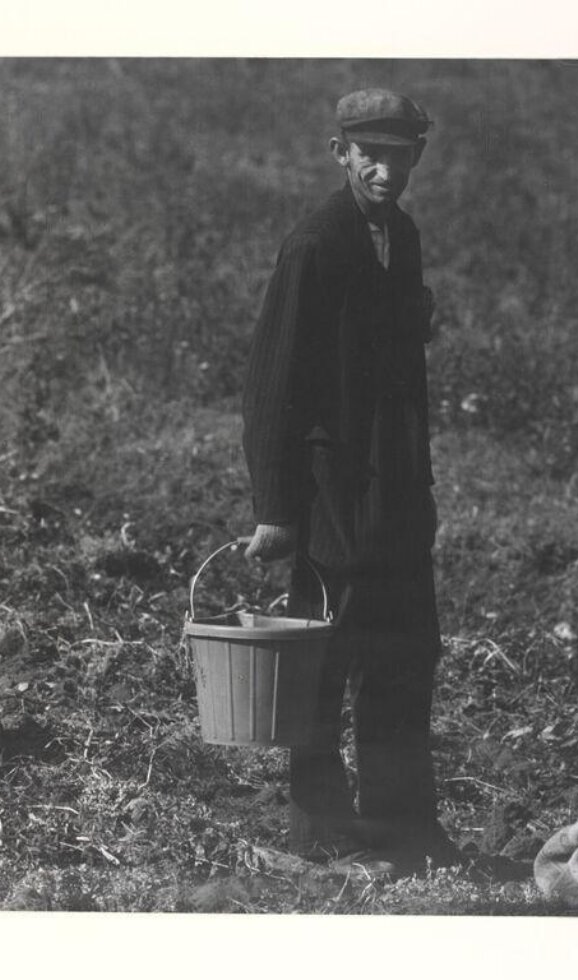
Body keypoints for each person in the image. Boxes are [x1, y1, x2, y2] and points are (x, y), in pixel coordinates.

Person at [242, 88, 460, 875]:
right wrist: (275, 510)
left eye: (398, 154)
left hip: (399, 493)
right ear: (340, 154)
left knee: (405, 653)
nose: (383, 168)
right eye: (368, 153)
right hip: (332, 496)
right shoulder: (315, 244)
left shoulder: (399, 236)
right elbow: (272, 383)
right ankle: (320, 831)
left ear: (415, 159)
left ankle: (403, 825)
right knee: (324, 663)